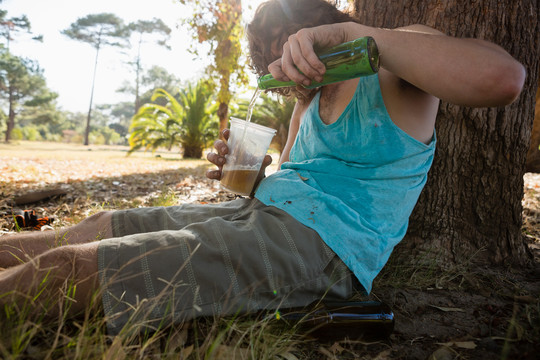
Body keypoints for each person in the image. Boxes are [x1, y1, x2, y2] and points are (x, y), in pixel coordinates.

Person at [0, 0, 525, 335]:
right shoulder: (303, 105)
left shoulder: (390, 65)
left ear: (321, 27)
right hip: (259, 216)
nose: (285, 66)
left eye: (294, 46)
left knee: (71, 269)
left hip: (325, 247)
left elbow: (502, 79)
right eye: (274, 59)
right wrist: (245, 176)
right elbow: (292, 184)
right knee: (90, 230)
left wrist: (357, 35)